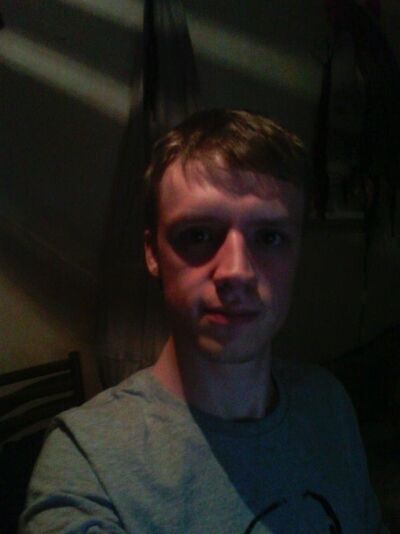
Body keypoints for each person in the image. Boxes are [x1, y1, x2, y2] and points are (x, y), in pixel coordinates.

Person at [20, 109, 386, 533]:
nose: (236, 271)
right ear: (152, 253)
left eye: (269, 237)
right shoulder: (89, 464)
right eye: (198, 234)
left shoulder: (327, 404)